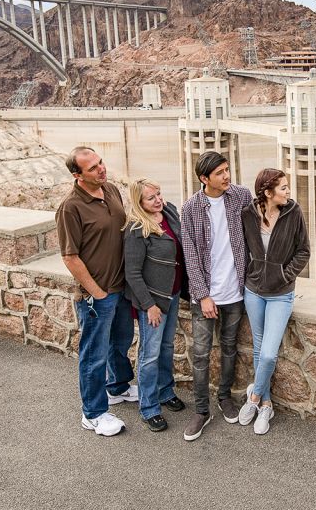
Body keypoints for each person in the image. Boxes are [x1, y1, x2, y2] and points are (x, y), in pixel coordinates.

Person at [56, 146, 136, 437]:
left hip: (121, 288)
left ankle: (118, 387)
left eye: (101, 162)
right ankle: (93, 413)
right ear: (78, 175)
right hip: (97, 295)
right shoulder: (70, 207)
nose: (101, 168)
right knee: (93, 355)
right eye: (92, 168)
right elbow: (70, 257)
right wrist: (97, 293)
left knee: (121, 342)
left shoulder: (111, 190)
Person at [180, 151, 253, 441]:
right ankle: (201, 410)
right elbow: (190, 254)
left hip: (235, 291)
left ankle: (224, 397)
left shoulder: (241, 196)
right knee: (200, 353)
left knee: (229, 347)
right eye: (220, 173)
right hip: (207, 294)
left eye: (227, 170)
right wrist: (202, 294)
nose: (227, 176)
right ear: (204, 178)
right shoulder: (191, 208)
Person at [237, 169, 310, 434]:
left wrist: (284, 275)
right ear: (268, 193)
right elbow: (242, 248)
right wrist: (250, 273)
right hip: (253, 290)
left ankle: (253, 397)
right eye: (283, 188)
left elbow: (303, 251)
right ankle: (266, 404)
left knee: (268, 353)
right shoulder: (248, 214)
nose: (288, 192)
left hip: (281, 293)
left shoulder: (293, 212)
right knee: (258, 350)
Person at [122, 178, 188, 433]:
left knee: (167, 347)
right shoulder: (136, 228)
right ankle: (149, 407)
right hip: (153, 302)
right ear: (139, 203)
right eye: (151, 198)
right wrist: (149, 306)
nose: (158, 200)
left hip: (172, 294)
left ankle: (164, 391)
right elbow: (133, 273)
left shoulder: (169, 211)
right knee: (149, 354)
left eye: (158, 194)